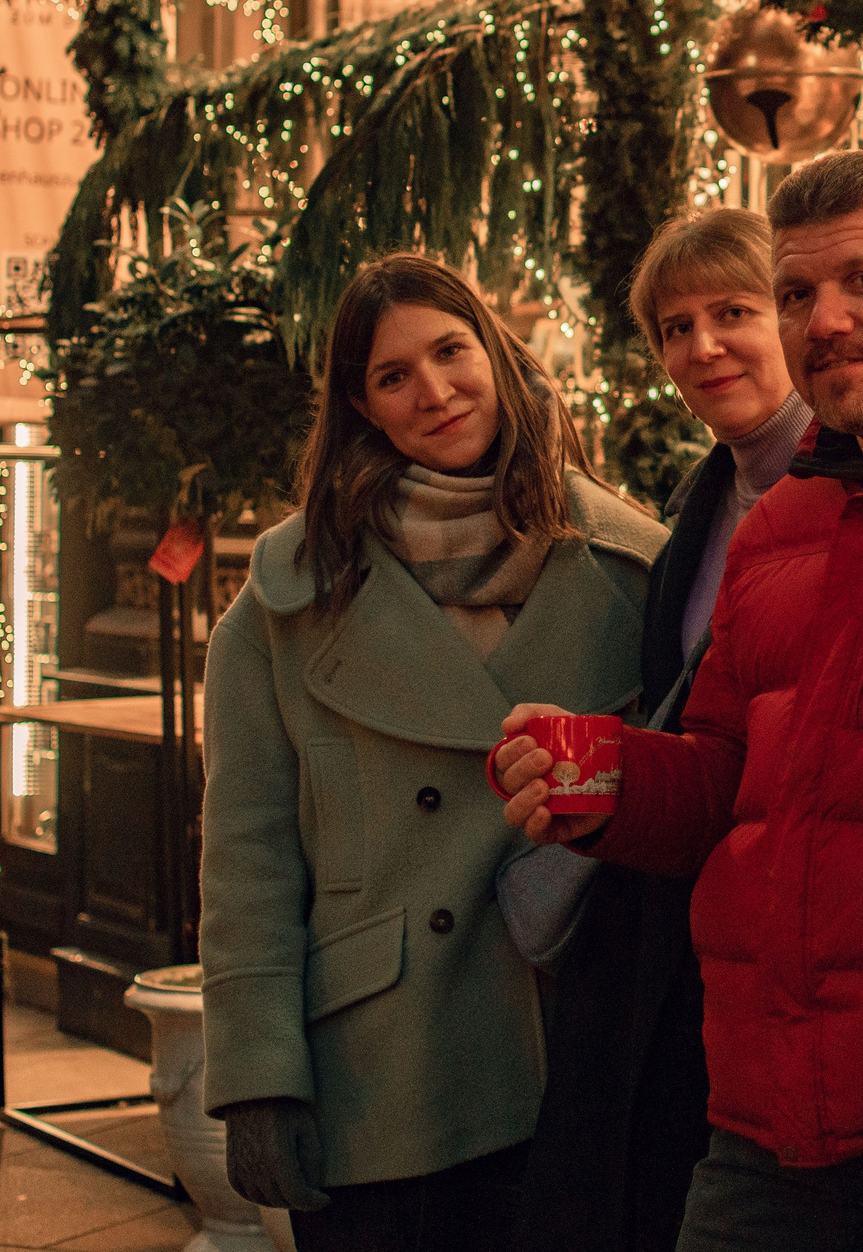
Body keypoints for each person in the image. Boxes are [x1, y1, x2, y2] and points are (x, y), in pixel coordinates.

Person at [493, 150, 863, 1252]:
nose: (822, 320)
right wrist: (607, 778)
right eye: (796, 294)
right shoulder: (776, 522)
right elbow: (729, 774)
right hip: (765, 1116)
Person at [201, 253, 666, 1252]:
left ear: (495, 352)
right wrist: (255, 1075)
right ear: (361, 408)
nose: (435, 391)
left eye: (451, 351)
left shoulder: (633, 568)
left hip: (575, 1056)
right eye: (392, 375)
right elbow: (248, 858)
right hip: (384, 1072)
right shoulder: (285, 600)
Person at [523, 208, 814, 1252]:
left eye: (732, 312)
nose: (702, 347)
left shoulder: (841, 482)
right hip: (685, 923)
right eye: (674, 328)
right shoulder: (709, 494)